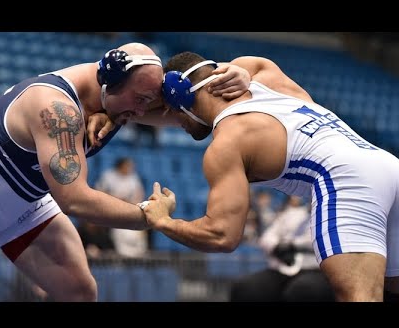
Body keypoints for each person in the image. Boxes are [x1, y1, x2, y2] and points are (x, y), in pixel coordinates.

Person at [0, 43, 250, 301]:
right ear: (109, 83)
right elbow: (75, 201)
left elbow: (196, 122)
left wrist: (237, 75)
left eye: (147, 101)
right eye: (139, 100)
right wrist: (150, 216)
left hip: (25, 199)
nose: (142, 112)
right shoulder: (56, 108)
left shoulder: (117, 98)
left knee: (79, 291)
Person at [125, 51, 399, 302]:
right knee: (392, 286)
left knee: (359, 296)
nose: (173, 120)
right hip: (387, 166)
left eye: (170, 110)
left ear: (182, 99)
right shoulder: (266, 76)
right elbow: (246, 65)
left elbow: (221, 236)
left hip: (345, 179)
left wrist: (163, 221)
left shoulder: (228, 142)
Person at [230, 196, 335, 302]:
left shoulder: (333, 215)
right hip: (281, 268)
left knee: (303, 291)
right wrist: (276, 247)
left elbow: (326, 241)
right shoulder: (291, 213)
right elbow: (267, 237)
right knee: (247, 288)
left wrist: (293, 245)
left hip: (315, 269)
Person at [94, 157, 149, 257]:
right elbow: (98, 192)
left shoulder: (133, 178)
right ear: (121, 165)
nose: (130, 168)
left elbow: (139, 195)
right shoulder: (108, 176)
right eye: (128, 166)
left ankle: (140, 253)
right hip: (109, 207)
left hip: (129, 208)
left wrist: (132, 204)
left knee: (147, 220)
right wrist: (116, 199)